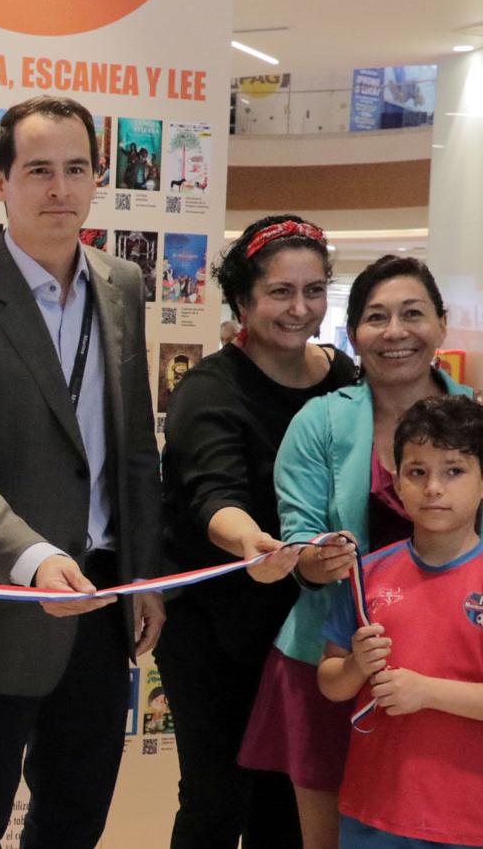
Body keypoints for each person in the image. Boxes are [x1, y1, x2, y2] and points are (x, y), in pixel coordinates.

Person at [0, 95, 165, 849]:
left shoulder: (121, 284)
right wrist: (34, 558)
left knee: (75, 819)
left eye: (77, 169)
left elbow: (134, 445)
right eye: (39, 170)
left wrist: (144, 575)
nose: (60, 189)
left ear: (96, 179)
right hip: (0, 604)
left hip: (102, 597)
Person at [240, 255, 472, 848]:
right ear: (353, 332)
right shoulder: (319, 422)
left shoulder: (474, 422)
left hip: (457, 668)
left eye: (412, 314)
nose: (395, 332)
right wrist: (315, 560)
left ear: (441, 324)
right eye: (376, 317)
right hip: (335, 661)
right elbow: (300, 535)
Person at [155, 215, 357, 849]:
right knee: (217, 797)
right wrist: (251, 543)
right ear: (242, 299)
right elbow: (211, 494)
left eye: (314, 290)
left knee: (289, 799)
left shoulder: (346, 379)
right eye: (280, 292)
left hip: (308, 621)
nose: (300, 309)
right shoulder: (209, 388)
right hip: (214, 625)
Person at [319, 395, 483, 848]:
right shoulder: (366, 574)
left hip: (469, 821)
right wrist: (356, 666)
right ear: (396, 481)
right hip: (375, 813)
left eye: (454, 470)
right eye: (417, 472)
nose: (434, 488)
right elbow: (331, 682)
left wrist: (427, 692)